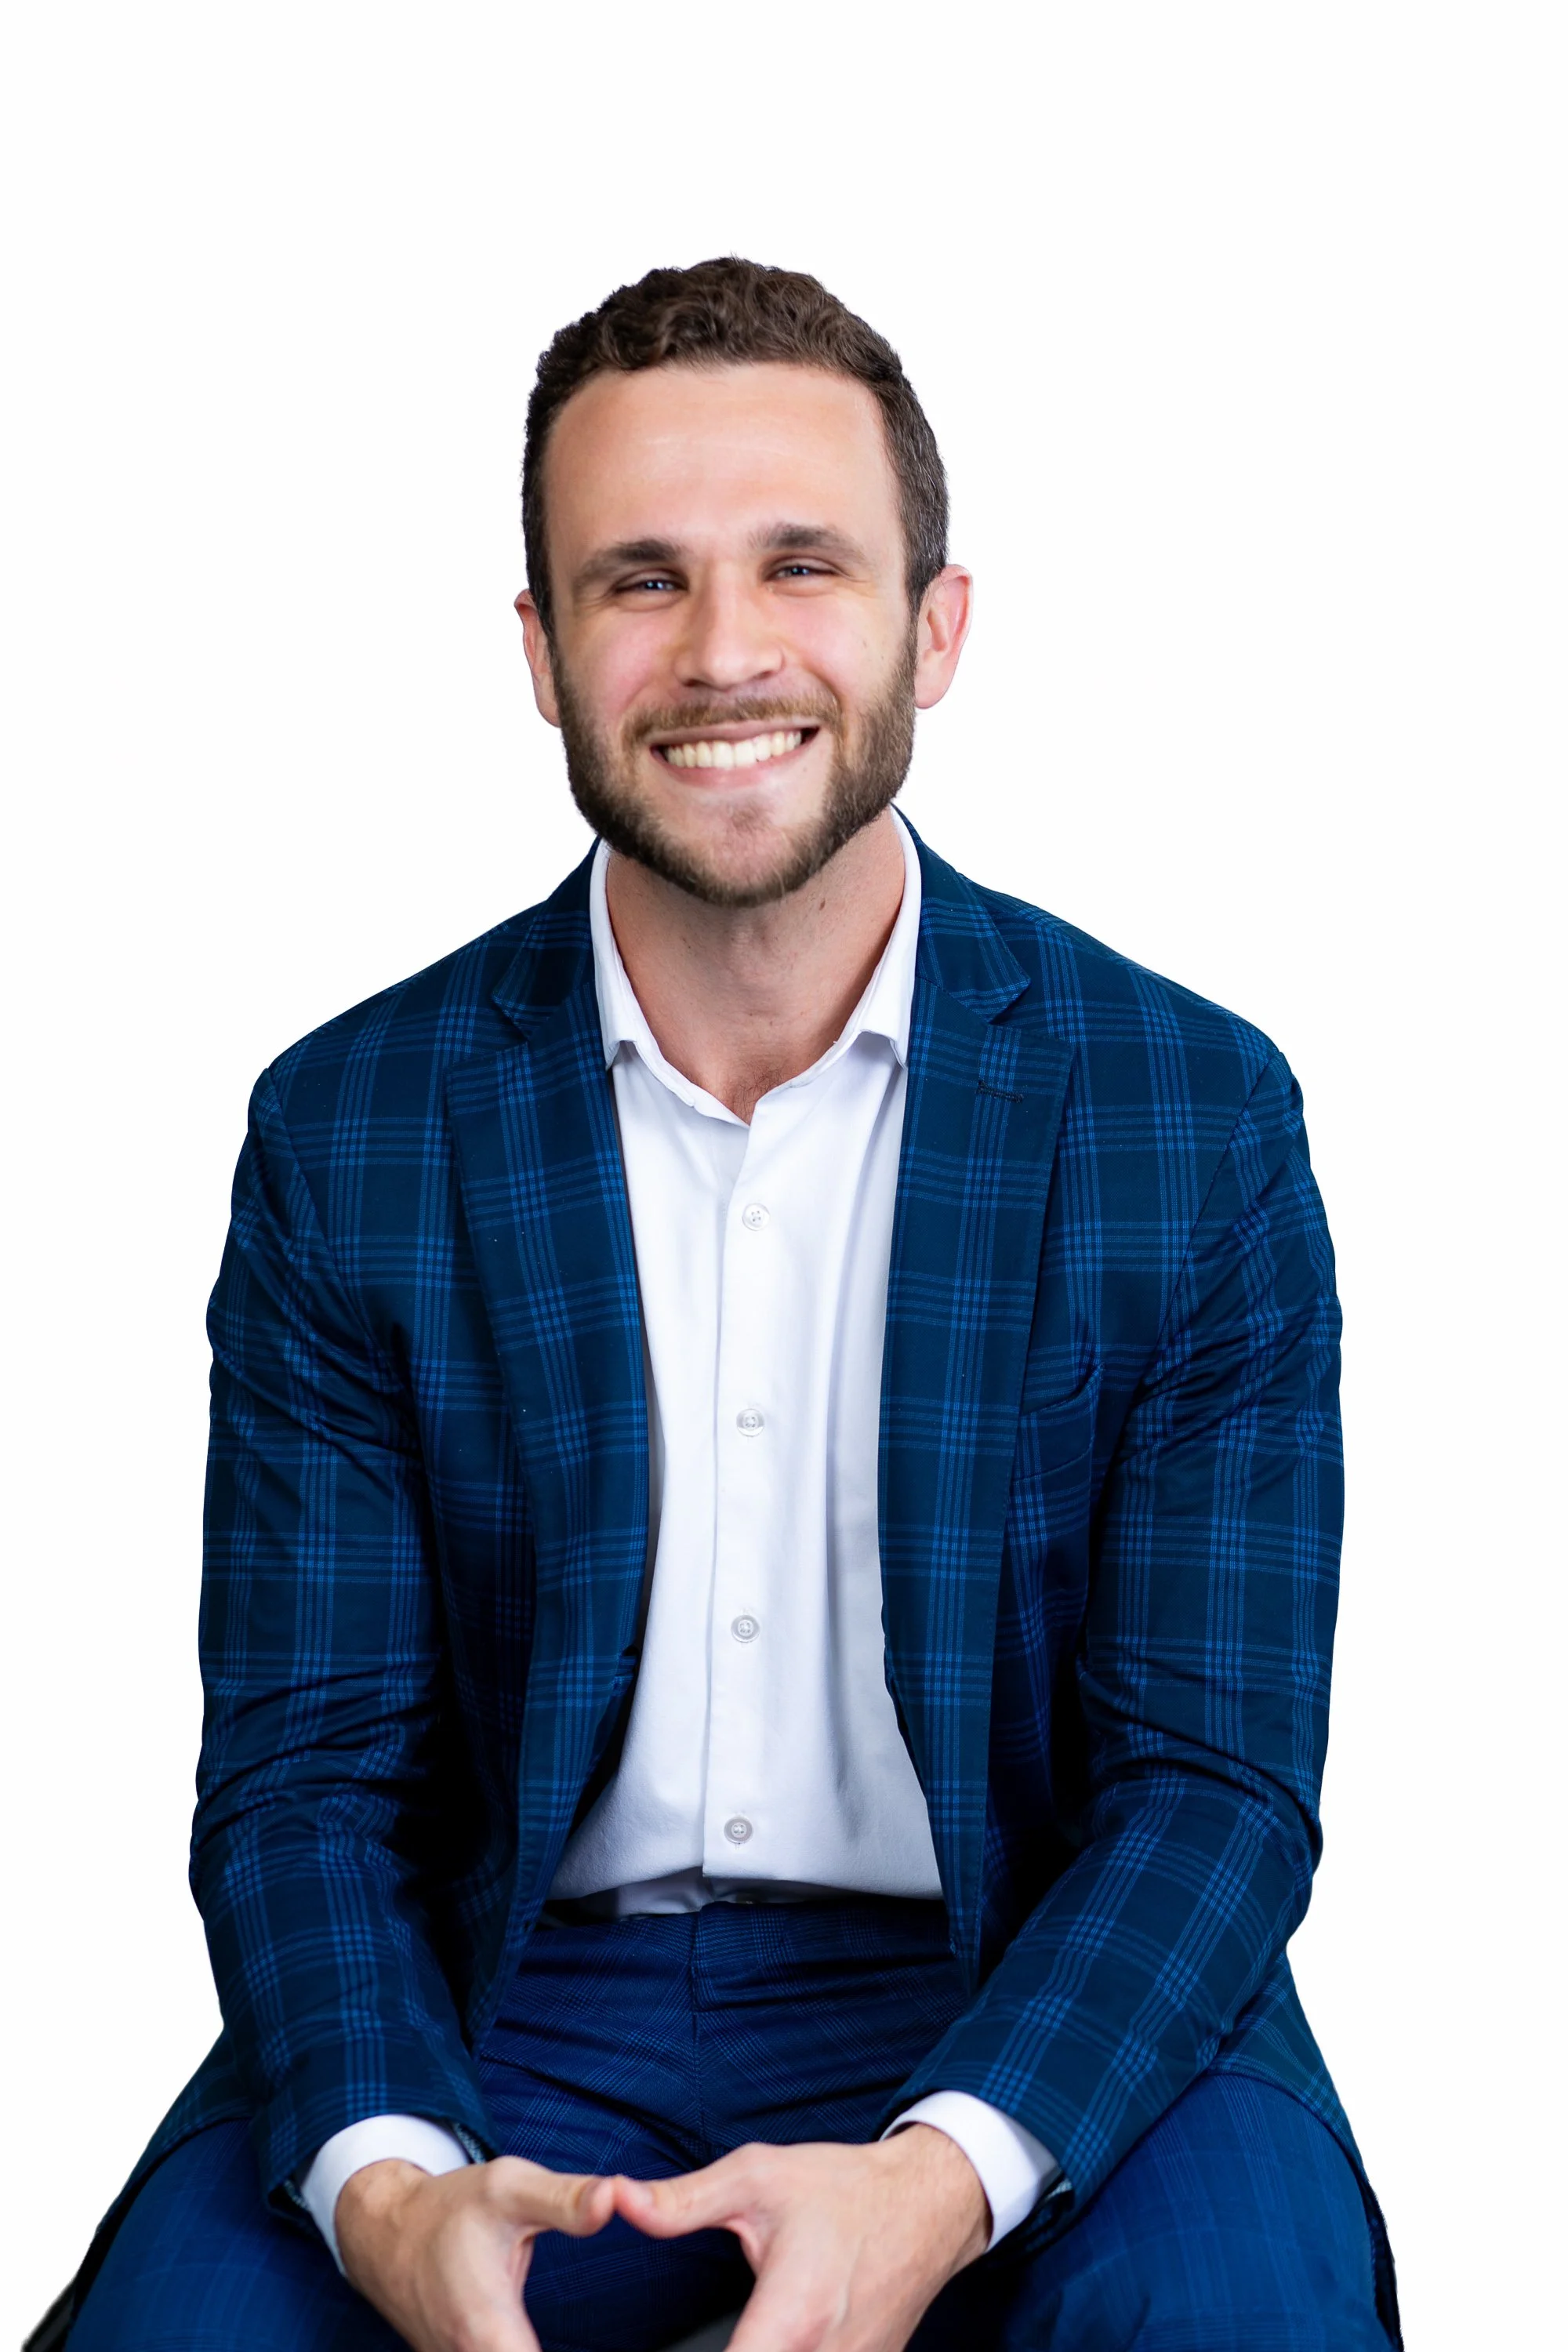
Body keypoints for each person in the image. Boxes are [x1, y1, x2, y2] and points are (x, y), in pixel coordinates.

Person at [52, 258, 1399, 2352]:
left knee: (1231, 2313)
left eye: (801, 565)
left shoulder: (1188, 1117)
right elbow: (305, 1778)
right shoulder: (353, 1129)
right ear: (543, 651)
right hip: (507, 1989)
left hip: (1019, 1959)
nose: (724, 652)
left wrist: (942, 2178)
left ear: (935, 626)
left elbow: (1210, 1787)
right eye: (638, 582)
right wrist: (395, 2187)